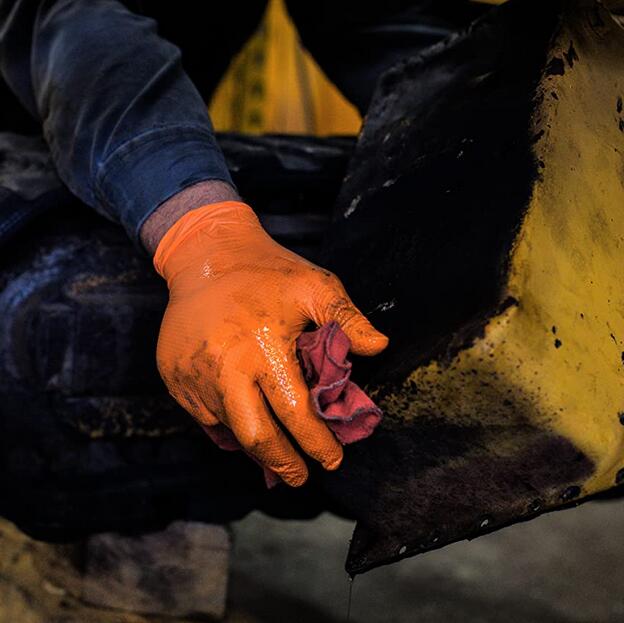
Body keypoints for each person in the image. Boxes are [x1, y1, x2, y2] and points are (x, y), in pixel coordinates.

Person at [0, 0, 488, 487]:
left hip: (128, 126)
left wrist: (478, 117)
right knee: (61, 313)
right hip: (36, 125)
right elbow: (78, 22)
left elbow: (379, 23)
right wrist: (199, 233)